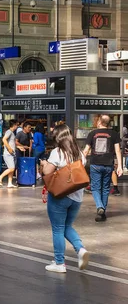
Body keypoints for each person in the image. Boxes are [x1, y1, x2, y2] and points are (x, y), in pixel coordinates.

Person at [41, 124, 89, 273]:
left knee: (57, 229)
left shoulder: (57, 152)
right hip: (77, 197)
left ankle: (59, 263)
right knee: (66, 226)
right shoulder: (80, 153)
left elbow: (47, 172)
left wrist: (44, 164)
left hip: (60, 196)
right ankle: (80, 249)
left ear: (58, 138)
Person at [83, 114, 123, 222]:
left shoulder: (92, 133)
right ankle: (102, 212)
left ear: (99, 121)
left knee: (95, 188)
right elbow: (118, 151)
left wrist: (80, 163)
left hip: (95, 164)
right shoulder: (114, 134)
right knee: (105, 188)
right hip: (108, 165)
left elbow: (86, 150)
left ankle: (100, 207)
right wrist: (120, 166)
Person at [0, 119, 19, 188]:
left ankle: (9, 183)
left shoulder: (12, 133)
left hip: (11, 153)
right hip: (8, 154)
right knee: (12, 168)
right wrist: (9, 149)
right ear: (14, 125)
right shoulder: (9, 132)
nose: (17, 126)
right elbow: (4, 139)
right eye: (17, 125)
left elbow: (12, 143)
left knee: (11, 169)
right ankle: (0, 177)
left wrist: (17, 147)